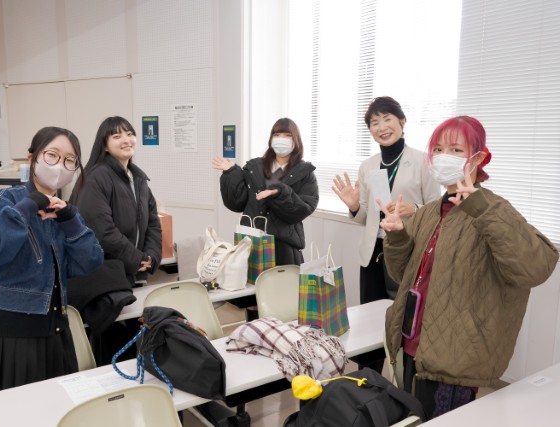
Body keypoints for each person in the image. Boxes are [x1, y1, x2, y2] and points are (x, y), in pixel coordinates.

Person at [379, 116, 558, 419]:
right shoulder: (429, 212)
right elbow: (402, 275)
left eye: (455, 150)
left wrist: (483, 210)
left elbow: (535, 268)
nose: (443, 156)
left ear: (477, 158)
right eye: (438, 149)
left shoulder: (492, 210)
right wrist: (396, 236)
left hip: (454, 357)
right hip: (410, 344)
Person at [0, 127, 104, 413]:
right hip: (15, 330)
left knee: (58, 413)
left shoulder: (65, 210)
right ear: (32, 158)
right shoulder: (6, 201)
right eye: (52, 155)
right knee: (20, 414)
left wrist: (71, 220)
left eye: (69, 160)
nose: (60, 166)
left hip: (56, 328)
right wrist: (26, 208)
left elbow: (91, 261)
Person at [333, 96, 440, 372]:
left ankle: (399, 378)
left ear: (402, 121)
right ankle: (367, 379)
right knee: (369, 321)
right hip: (373, 253)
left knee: (402, 320)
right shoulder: (368, 166)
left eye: (387, 119)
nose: (381, 127)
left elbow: (438, 209)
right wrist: (354, 206)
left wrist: (413, 209)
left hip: (406, 252)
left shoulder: (422, 162)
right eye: (374, 122)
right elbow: (364, 217)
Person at [70, 116, 162, 286]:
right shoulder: (95, 178)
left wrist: (151, 256)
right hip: (105, 276)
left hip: (135, 273)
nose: (126, 140)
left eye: (129, 134)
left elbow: (153, 223)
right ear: (105, 145)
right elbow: (101, 230)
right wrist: (136, 259)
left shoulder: (139, 179)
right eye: (117, 136)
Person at [213, 117, 319, 265]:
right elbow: (236, 203)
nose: (281, 139)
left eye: (287, 135)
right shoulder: (254, 167)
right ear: (271, 139)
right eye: (277, 135)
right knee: (251, 280)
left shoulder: (305, 173)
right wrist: (231, 173)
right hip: (251, 242)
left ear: (296, 141)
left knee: (284, 280)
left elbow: (303, 209)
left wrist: (279, 193)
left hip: (285, 246)